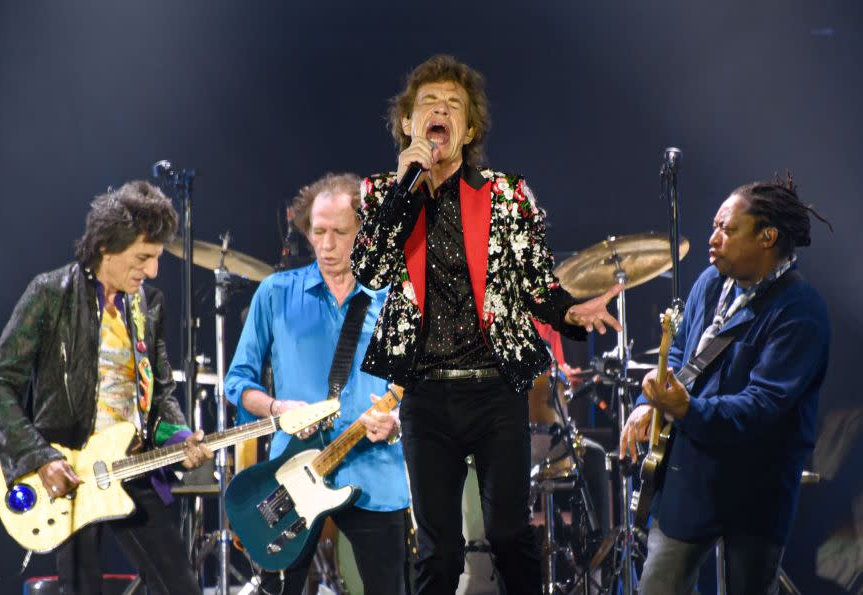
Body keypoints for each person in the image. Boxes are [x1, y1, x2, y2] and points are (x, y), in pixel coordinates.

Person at [351, 54, 622, 594]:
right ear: (408, 123)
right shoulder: (383, 193)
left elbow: (537, 287)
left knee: (509, 535)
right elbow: (371, 268)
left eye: (454, 105)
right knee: (439, 552)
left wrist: (570, 310)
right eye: (429, 103)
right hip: (425, 394)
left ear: (469, 128)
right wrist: (408, 184)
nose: (441, 111)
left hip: (495, 390)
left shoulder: (506, 194)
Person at [0, 181, 213, 595]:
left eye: (157, 258)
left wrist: (181, 439)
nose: (153, 271)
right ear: (107, 247)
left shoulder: (148, 305)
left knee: (181, 587)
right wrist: (39, 458)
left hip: (131, 464)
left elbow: (158, 396)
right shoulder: (51, 293)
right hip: (69, 471)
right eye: (143, 257)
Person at [619, 175, 832, 594]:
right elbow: (683, 354)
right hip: (692, 472)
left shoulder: (800, 311)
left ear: (767, 237)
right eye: (716, 226)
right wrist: (656, 404)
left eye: (727, 229)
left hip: (757, 485)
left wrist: (685, 409)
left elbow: (760, 407)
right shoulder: (710, 283)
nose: (712, 238)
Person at [225, 172, 410, 595]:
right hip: (291, 474)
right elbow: (238, 381)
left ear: (364, 233)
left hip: (375, 472)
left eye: (340, 233)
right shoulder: (275, 293)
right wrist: (277, 409)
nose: (326, 245)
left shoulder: (393, 299)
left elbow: (421, 386)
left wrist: (397, 418)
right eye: (318, 231)